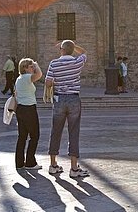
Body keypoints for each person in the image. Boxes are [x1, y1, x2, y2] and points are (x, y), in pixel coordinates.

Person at [45, 40, 89, 178]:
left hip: (59, 99)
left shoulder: (54, 63)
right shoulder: (77, 62)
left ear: (61, 50)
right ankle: (74, 168)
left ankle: (53, 165)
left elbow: (48, 82)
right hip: (74, 99)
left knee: (56, 131)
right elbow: (85, 53)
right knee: (74, 132)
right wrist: (74, 46)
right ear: (72, 49)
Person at [14, 58, 43, 170]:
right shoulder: (26, 77)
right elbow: (39, 75)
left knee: (22, 137)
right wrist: (36, 64)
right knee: (34, 136)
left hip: (20, 109)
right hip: (29, 109)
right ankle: (30, 162)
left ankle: (19, 163)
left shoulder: (19, 78)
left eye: (32, 66)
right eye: (30, 66)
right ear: (25, 68)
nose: (32, 68)